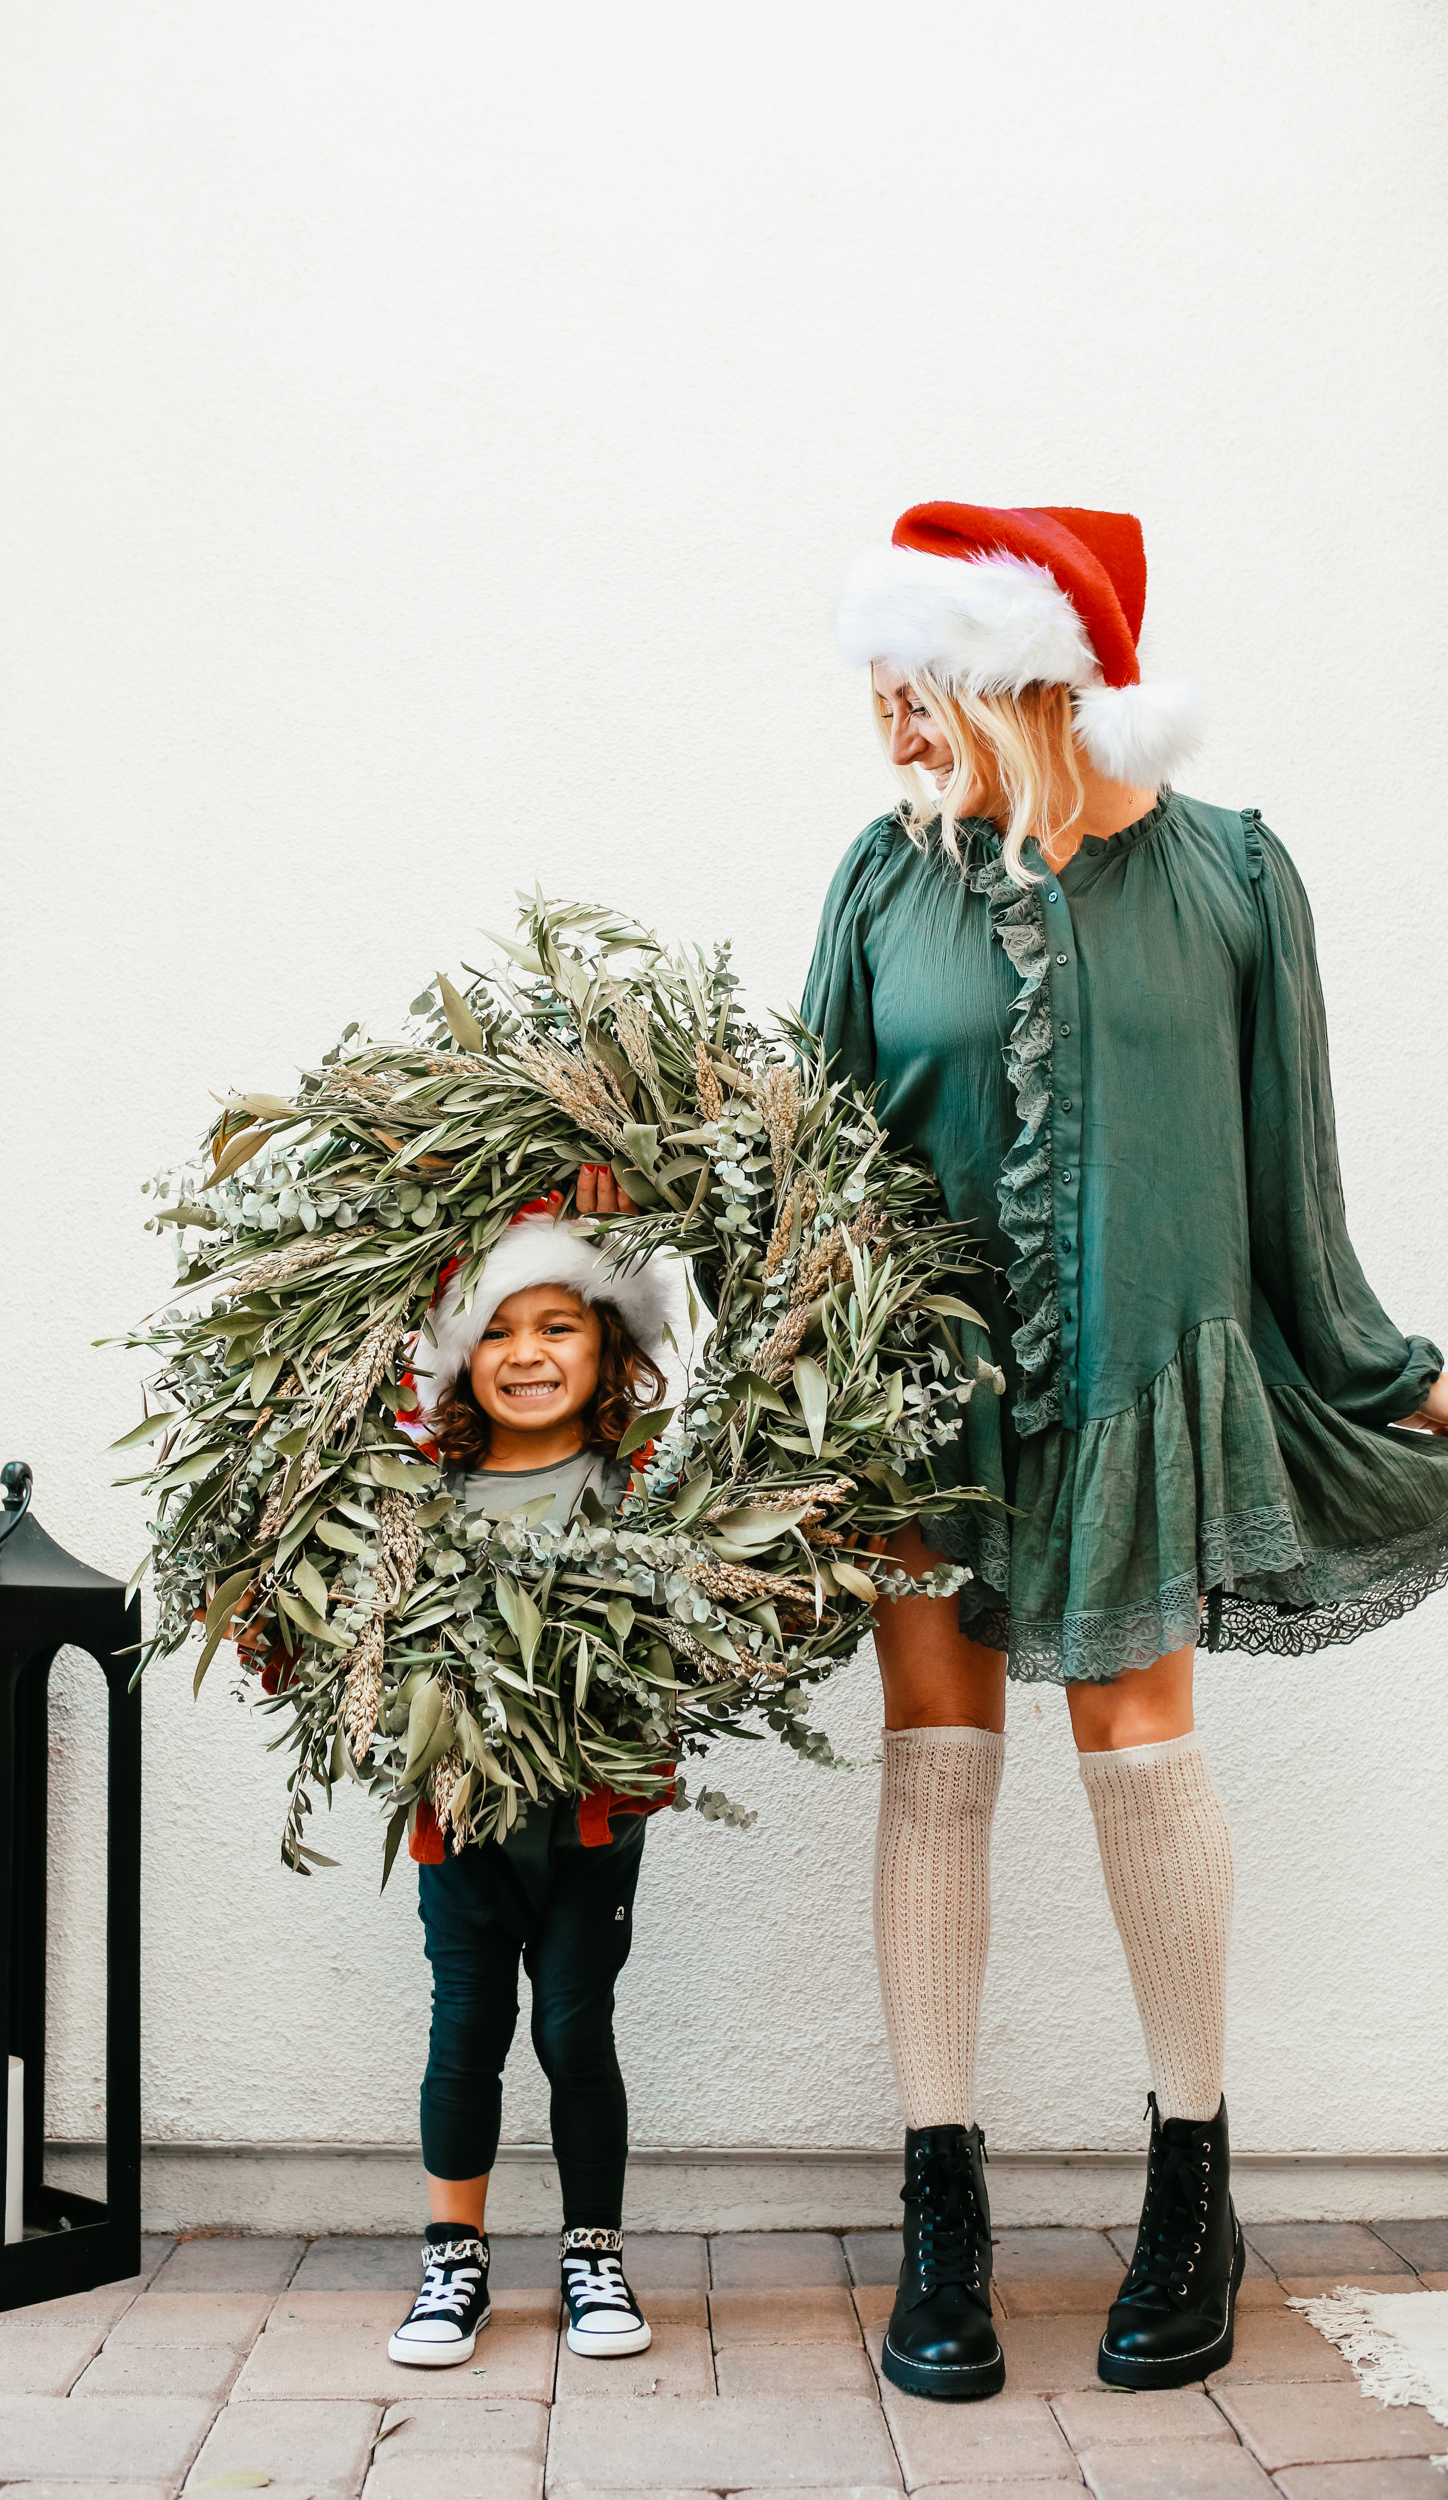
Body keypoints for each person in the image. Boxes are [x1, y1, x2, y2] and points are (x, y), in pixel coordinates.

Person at [804, 501, 1448, 2401]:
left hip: (1139, 1400)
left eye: (911, 677)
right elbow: (803, 1190)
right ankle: (943, 2205)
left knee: (1139, 1763)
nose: (882, 715)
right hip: (925, 1423)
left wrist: (1384, 1375)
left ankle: (1193, 2179)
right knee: (934, 1768)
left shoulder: (1235, 878)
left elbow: (1286, 1189)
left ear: (1029, 668)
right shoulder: (874, 881)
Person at [386, 1189, 671, 2370]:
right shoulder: (419, 1495)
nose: (525, 1354)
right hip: (458, 1820)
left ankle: (591, 2248)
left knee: (574, 2028)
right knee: (466, 2032)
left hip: (591, 1822)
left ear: (608, 1343)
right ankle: (452, 2260)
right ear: (459, 1358)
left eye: (556, 1325)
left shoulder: (637, 1486)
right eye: (496, 1331)